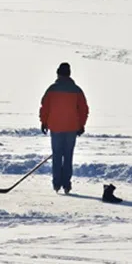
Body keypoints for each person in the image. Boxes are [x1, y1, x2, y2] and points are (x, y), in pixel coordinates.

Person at [39, 62, 89, 194]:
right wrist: (81, 125)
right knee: (68, 156)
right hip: (72, 128)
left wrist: (44, 122)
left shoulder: (51, 90)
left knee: (57, 155)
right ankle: (66, 184)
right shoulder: (77, 90)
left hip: (55, 127)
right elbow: (83, 109)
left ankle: (56, 184)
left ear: (58, 73)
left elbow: (45, 107)